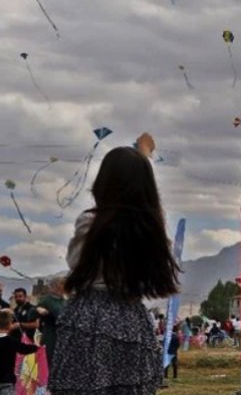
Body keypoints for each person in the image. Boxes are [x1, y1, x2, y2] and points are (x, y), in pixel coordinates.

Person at [50, 138, 182, 395]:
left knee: (81, 386)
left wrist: (143, 157)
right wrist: (145, 160)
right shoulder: (151, 231)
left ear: (103, 182)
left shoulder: (90, 222)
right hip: (131, 319)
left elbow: (75, 261)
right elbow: (153, 209)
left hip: (89, 316)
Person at [0, 310, 40, 395]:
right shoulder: (11, 341)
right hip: (7, 382)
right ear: (10, 325)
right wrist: (36, 346)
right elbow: (24, 349)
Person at [35, 277, 66, 353]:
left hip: (62, 334)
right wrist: (40, 310)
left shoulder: (64, 301)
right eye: (61, 284)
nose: (64, 287)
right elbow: (35, 310)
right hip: (50, 334)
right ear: (56, 286)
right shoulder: (47, 300)